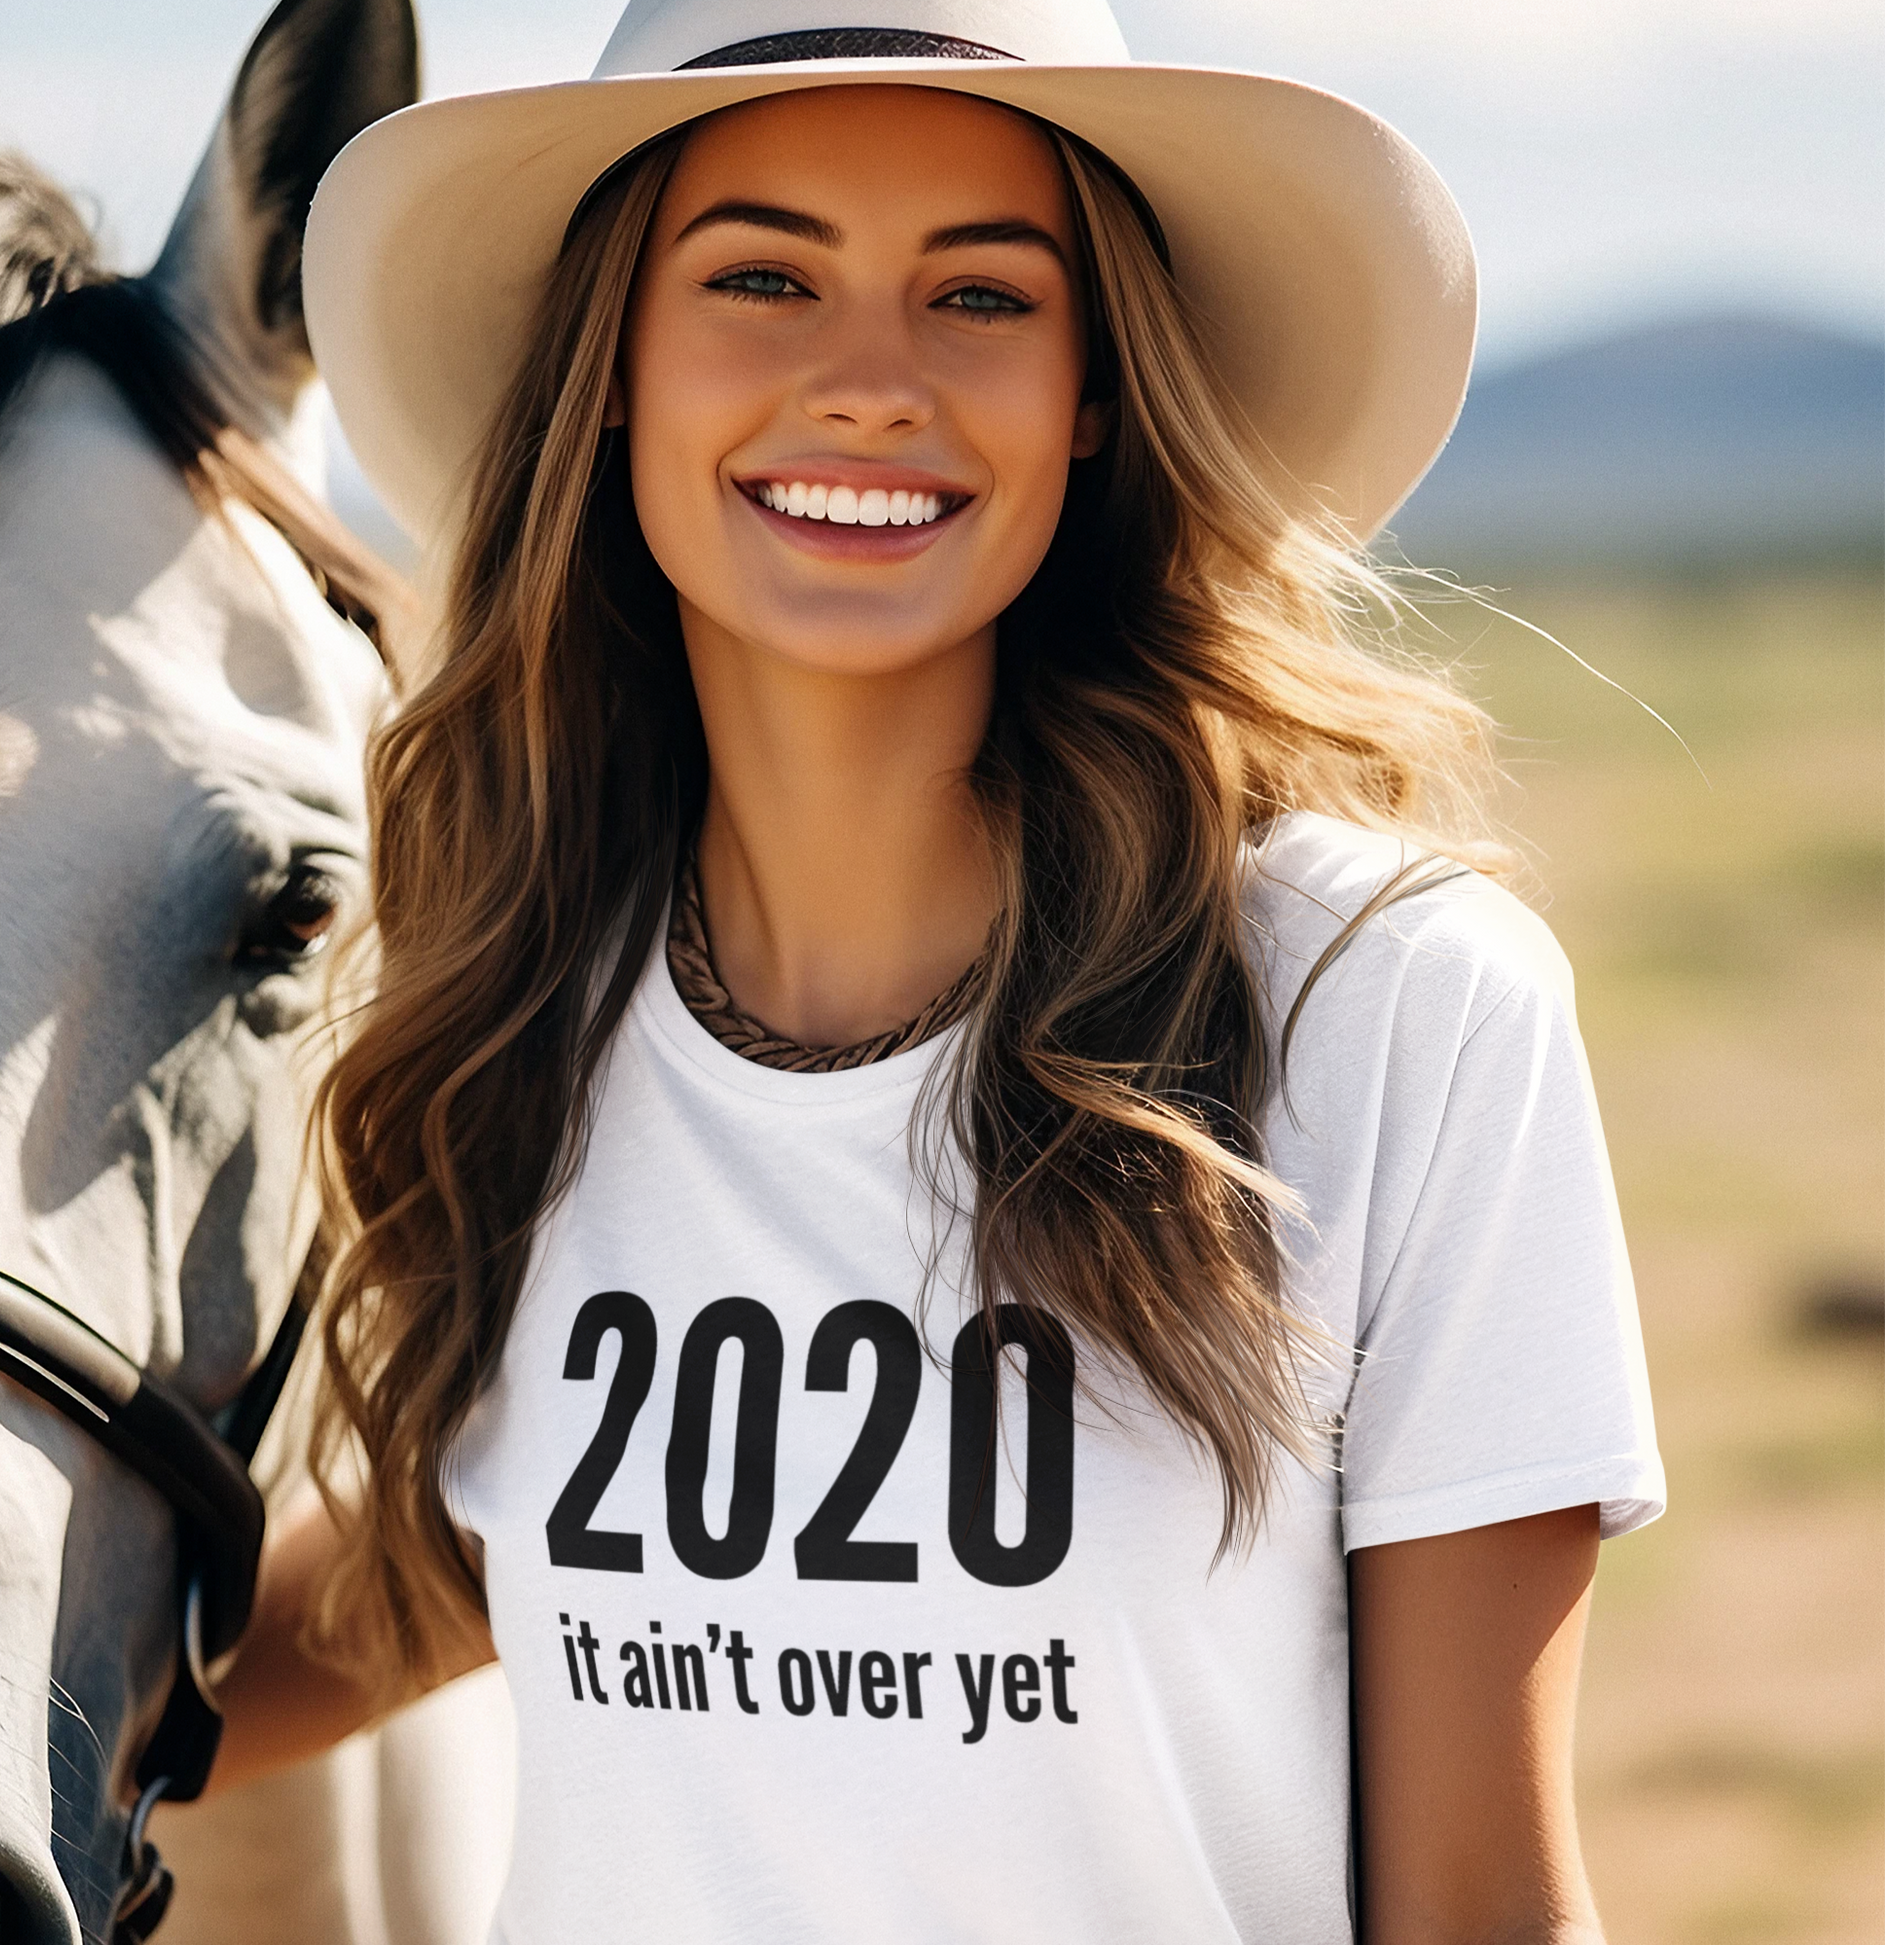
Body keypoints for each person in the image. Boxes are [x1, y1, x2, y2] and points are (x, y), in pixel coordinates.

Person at [213, 4, 1664, 1939]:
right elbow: (404, 1593)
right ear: (616, 368)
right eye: (760, 276)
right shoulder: (527, 1002)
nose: (871, 383)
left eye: (980, 296)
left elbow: (1484, 1901)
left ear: (1090, 390)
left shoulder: (1382, 1003)